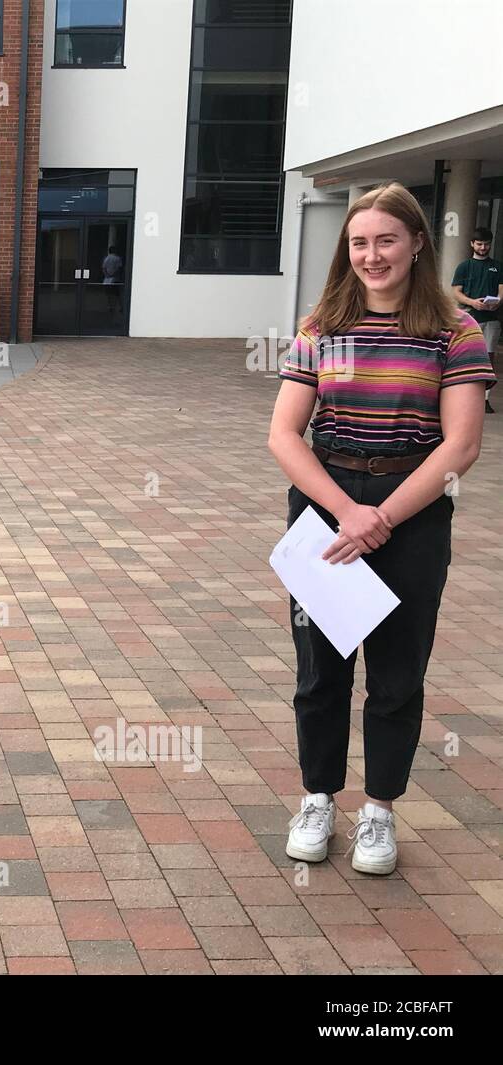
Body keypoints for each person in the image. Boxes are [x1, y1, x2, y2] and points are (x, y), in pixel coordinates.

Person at [268, 182, 492, 876]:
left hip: (414, 509)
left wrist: (383, 516)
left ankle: (379, 812)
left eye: (386, 240)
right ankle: (317, 798)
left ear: (418, 242)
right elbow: (283, 433)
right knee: (320, 670)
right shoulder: (320, 325)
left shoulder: (456, 330)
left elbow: (461, 445)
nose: (371, 255)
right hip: (326, 505)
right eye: (359, 242)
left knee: (398, 672)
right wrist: (348, 510)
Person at [450, 227, 502, 411]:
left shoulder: (497, 266)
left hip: (491, 319)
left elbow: (501, 290)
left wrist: (497, 302)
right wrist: (473, 302)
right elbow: (456, 292)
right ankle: (463, 396)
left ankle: (485, 399)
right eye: (479, 244)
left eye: (486, 244)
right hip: (470, 317)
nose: (483, 247)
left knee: (488, 357)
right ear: (472, 244)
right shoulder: (464, 266)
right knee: (465, 356)